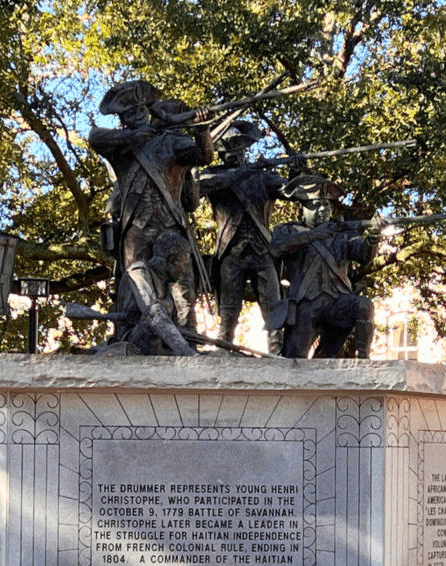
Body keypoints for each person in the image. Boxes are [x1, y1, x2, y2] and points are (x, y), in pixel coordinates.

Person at [89, 81, 213, 332]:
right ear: (122, 118)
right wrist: (133, 136)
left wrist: (202, 130)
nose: (137, 116)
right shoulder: (120, 146)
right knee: (134, 293)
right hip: (137, 230)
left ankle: (187, 344)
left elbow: (204, 157)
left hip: (171, 226)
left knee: (184, 294)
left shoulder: (171, 141)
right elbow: (94, 137)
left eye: (140, 110)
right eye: (129, 114)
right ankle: (131, 342)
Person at [199, 121, 289, 354]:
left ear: (243, 149)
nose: (230, 154)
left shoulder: (262, 176)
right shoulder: (212, 174)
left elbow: (289, 190)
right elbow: (202, 186)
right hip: (231, 252)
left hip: (262, 250)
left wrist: (297, 171)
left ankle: (276, 352)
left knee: (272, 305)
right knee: (229, 309)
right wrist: (241, 173)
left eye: (235, 148)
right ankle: (223, 349)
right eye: (225, 150)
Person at [269, 175, 377, 359]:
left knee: (363, 305)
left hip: (337, 302)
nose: (322, 210)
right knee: (294, 360)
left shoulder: (343, 232)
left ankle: (364, 362)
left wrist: (373, 239)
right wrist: (314, 235)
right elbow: (277, 248)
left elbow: (363, 256)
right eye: (316, 205)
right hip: (305, 305)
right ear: (302, 209)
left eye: (326, 205)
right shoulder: (287, 230)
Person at [113, 231, 199, 356]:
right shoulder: (138, 272)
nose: (185, 271)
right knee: (153, 313)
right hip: (134, 347)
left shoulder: (166, 284)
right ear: (172, 260)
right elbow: (152, 315)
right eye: (184, 265)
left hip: (160, 347)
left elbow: (171, 328)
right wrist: (186, 351)